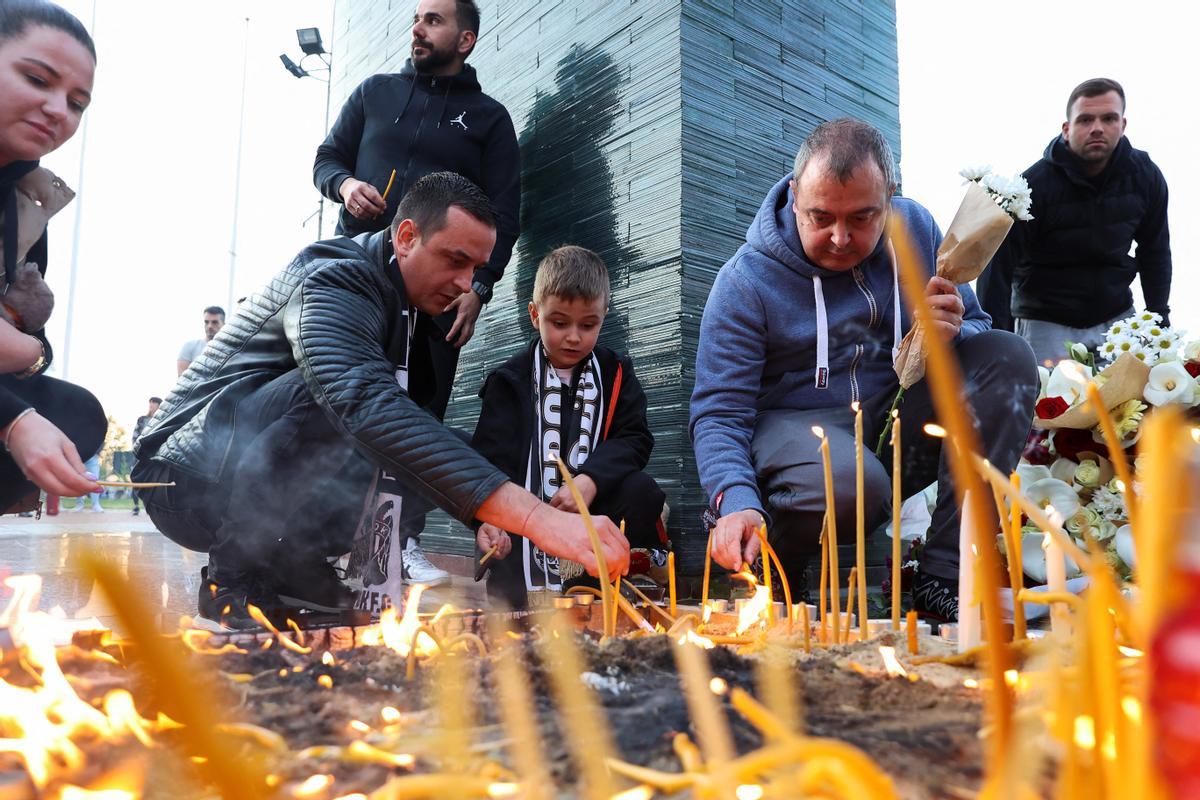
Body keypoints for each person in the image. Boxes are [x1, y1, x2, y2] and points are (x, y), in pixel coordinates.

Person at [133, 173, 629, 632]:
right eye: (455, 260)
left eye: (477, 268)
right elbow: (359, 399)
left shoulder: (403, 303)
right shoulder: (337, 275)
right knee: (348, 404)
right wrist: (537, 519)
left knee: (414, 436)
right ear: (407, 237)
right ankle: (230, 582)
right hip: (184, 480)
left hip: (235, 472)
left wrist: (484, 515)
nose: (466, 284)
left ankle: (295, 568)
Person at [689, 118, 1038, 622]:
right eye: (820, 216)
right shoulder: (746, 281)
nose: (839, 236)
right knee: (850, 478)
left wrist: (952, 334)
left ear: (890, 199)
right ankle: (778, 567)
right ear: (793, 194)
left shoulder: (916, 230)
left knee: (1007, 357)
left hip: (889, 423)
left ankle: (943, 575)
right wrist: (736, 499)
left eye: (861, 217)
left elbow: (979, 332)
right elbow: (719, 412)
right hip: (796, 438)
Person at [312, 0, 521, 585]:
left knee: (419, 410)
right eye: (416, 17)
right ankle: (321, 539)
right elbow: (326, 159)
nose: (418, 28)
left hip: (439, 297)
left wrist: (478, 286)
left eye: (434, 19)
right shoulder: (374, 92)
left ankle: (398, 541)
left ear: (466, 39)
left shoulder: (489, 118)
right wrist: (346, 184)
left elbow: (507, 213)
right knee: (340, 402)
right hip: (362, 277)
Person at [471, 246, 665, 608]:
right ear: (534, 315)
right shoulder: (508, 380)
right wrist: (486, 521)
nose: (573, 337)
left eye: (588, 325)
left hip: (593, 508)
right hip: (523, 521)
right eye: (559, 323)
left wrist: (589, 480)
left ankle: (613, 575)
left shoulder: (616, 372)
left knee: (642, 490)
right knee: (513, 624)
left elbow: (635, 438)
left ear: (604, 316)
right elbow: (486, 463)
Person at [977, 78, 1172, 364]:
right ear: (1066, 129)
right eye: (1085, 119)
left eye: (1108, 118)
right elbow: (997, 270)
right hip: (1045, 323)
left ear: (1123, 124)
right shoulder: (1032, 186)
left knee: (1130, 406)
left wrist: (1158, 321)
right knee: (1050, 407)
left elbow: (1155, 251)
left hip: (1116, 319)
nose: (1097, 128)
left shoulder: (1145, 176)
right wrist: (998, 343)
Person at [0, 0, 105, 515]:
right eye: (37, 80)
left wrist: (23, 350)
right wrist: (14, 422)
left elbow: (33, 347)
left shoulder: (27, 202)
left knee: (78, 414)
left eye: (78, 102)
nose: (59, 110)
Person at [129, 395, 160, 516]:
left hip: (154, 457)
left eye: (154, 403)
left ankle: (151, 506)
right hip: (140, 456)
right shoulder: (142, 420)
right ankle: (136, 506)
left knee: (153, 482)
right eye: (150, 403)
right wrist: (138, 452)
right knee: (136, 480)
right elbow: (134, 437)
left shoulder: (163, 419)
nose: (151, 405)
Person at [176, 306, 224, 375]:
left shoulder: (231, 350)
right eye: (206, 322)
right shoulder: (189, 346)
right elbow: (182, 378)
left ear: (224, 324)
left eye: (215, 322)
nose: (210, 326)